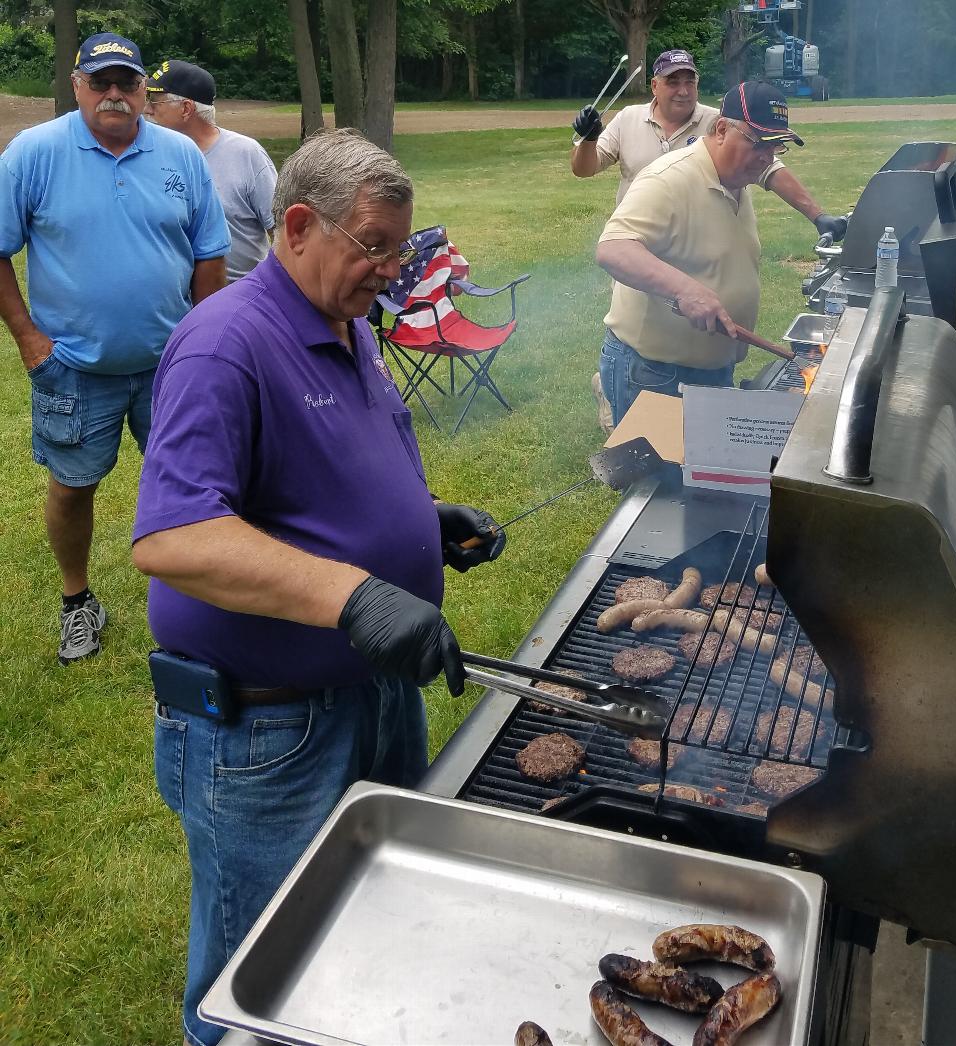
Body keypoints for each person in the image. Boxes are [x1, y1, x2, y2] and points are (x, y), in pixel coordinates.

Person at [131, 127, 505, 1046]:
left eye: (402, 249)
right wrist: (357, 595)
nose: (392, 269)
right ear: (297, 225)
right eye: (373, 246)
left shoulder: (347, 321)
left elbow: (326, 474)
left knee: (371, 935)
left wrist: (421, 521)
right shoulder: (225, 343)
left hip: (372, 695)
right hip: (268, 731)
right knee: (259, 982)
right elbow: (175, 537)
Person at [0, 32, 230, 666]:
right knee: (73, 487)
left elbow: (209, 253)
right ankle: (79, 603)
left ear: (142, 92)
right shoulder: (34, 153)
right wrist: (28, 338)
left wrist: (202, 346)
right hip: (73, 367)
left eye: (126, 83)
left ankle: (198, 599)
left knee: (195, 483)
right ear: (76, 87)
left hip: (171, 366)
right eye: (99, 82)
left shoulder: (180, 154)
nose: (113, 95)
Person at [572, 50, 845, 431]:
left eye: (775, 146)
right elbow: (613, 248)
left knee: (700, 481)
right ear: (720, 131)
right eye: (758, 144)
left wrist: (818, 215)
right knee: (657, 485)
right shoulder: (669, 178)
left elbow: (773, 173)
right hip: (655, 373)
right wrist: (686, 289)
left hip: (709, 367)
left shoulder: (738, 174)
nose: (767, 158)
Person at [145, 59, 277, 282]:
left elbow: (281, 230)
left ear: (186, 108)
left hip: (241, 296)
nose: (146, 109)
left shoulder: (246, 153)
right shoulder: (150, 155)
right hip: (177, 297)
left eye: (156, 102)